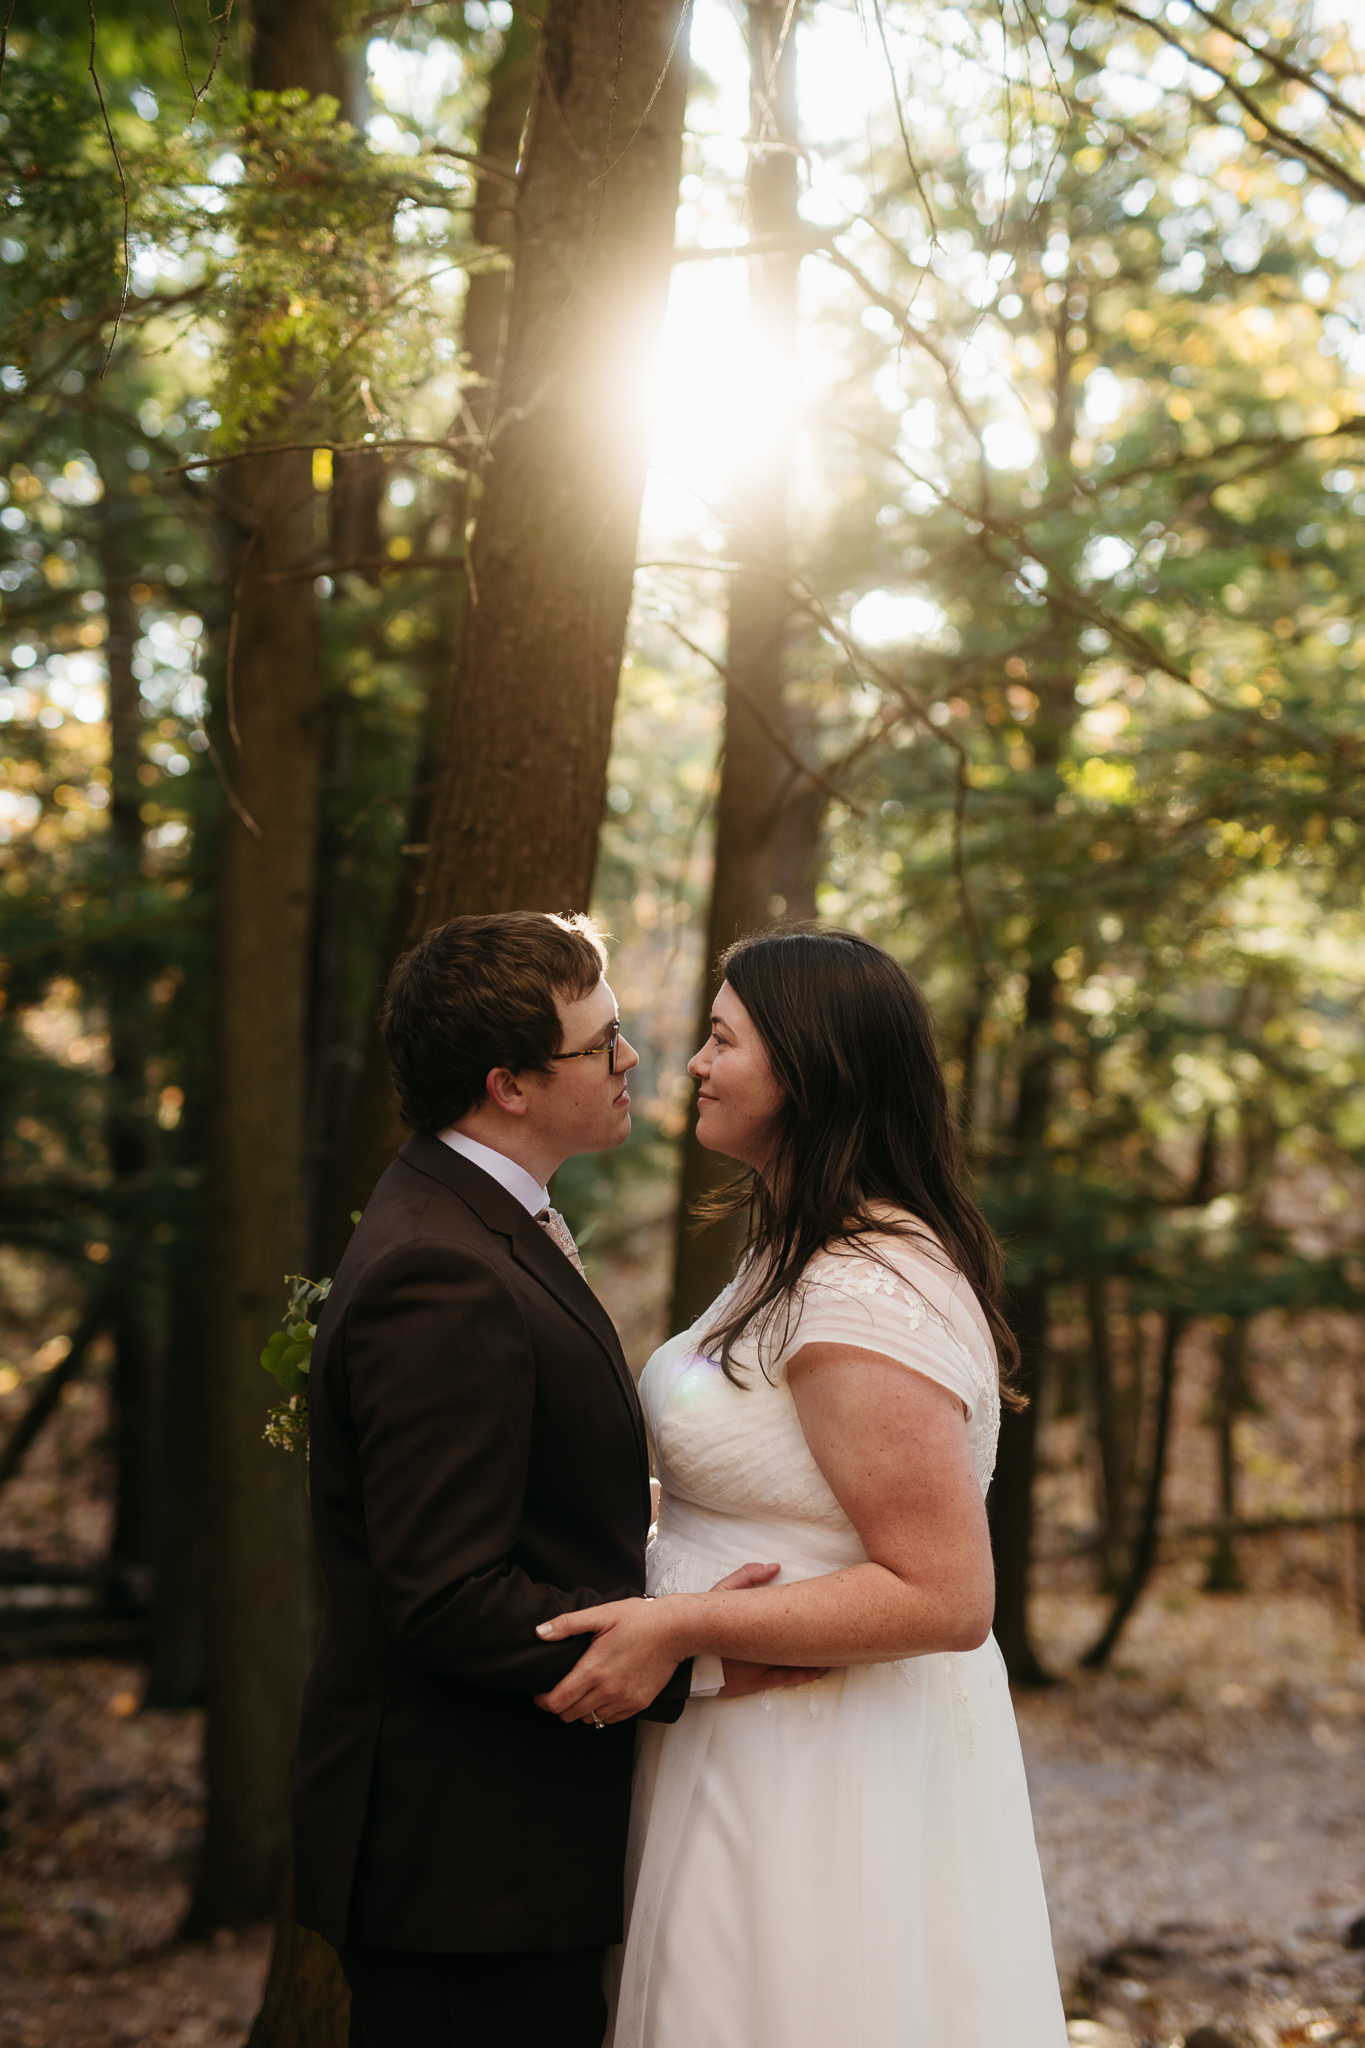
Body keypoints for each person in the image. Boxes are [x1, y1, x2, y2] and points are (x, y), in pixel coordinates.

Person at [534, 927, 1070, 2048]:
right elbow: (778, 1482)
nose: (692, 1062)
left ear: (808, 1071)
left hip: (817, 1770)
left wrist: (683, 1618)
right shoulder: (801, 1249)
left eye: (724, 1039)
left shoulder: (861, 1294)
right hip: (744, 1744)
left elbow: (945, 1595)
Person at [290, 910, 813, 2048]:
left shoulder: (482, 1216)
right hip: (464, 1857)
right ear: (509, 1083)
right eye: (603, 1041)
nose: (633, 1059)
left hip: (492, 1849)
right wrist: (694, 1646)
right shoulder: (444, 1266)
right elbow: (445, 1591)